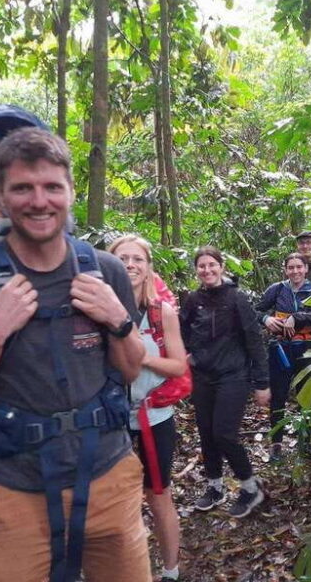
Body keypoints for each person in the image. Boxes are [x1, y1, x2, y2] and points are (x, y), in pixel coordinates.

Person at [0, 127, 151, 582]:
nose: (39, 200)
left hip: (109, 475)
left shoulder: (104, 270)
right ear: (4, 199)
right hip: (16, 489)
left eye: (51, 187)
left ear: (70, 192)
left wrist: (117, 319)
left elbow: (129, 370)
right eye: (22, 188)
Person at [108, 234, 186, 582]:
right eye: (122, 259)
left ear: (148, 265)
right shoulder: (101, 311)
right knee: (117, 502)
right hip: (111, 420)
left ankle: (170, 570)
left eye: (137, 259)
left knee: (159, 496)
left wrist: (142, 355)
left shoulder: (161, 312)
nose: (130, 265)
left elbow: (179, 366)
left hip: (155, 417)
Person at [180, 247, 270, 518]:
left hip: (233, 376)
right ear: (196, 270)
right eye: (201, 266)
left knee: (224, 434)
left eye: (211, 265)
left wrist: (262, 382)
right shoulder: (193, 299)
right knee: (206, 433)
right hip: (203, 376)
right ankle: (215, 486)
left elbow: (254, 339)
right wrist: (186, 355)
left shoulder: (237, 298)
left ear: (221, 267)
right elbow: (182, 331)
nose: (207, 270)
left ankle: (250, 487)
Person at [255, 253, 311, 460]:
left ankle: (308, 439)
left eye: (298, 267)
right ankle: (276, 442)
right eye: (291, 267)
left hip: (307, 347)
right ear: (285, 270)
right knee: (278, 395)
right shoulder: (277, 290)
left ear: (305, 269)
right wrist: (266, 319)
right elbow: (254, 310)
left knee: (308, 394)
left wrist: (297, 317)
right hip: (280, 348)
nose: (295, 271)